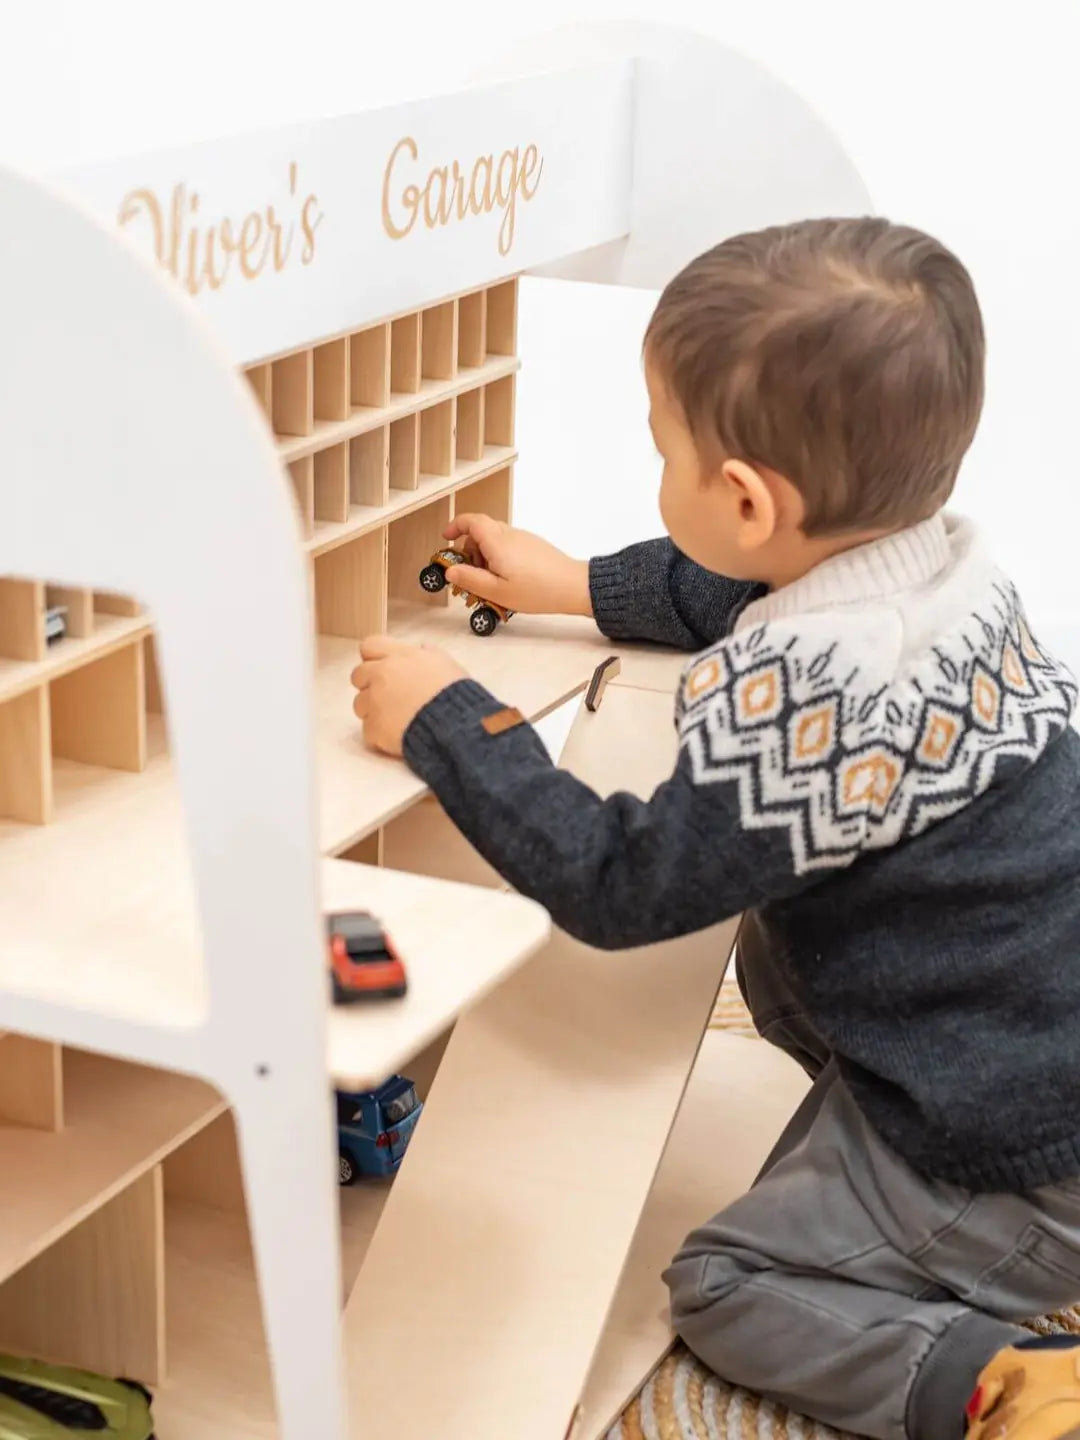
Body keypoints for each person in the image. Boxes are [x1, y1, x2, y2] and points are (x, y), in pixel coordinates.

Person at [349, 217, 1080, 1440]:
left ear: (743, 494)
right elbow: (734, 585)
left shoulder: (821, 699)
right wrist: (574, 584)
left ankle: (1008, 1380)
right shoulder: (939, 566)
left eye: (663, 451)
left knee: (723, 1285)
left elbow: (622, 883)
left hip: (1011, 1150)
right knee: (778, 950)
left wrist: (448, 722)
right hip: (1007, 1036)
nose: (662, 473)